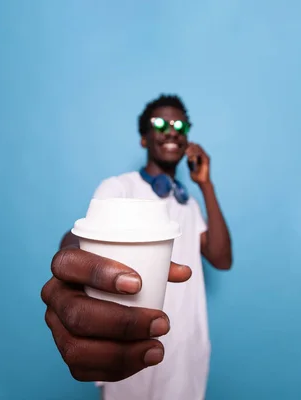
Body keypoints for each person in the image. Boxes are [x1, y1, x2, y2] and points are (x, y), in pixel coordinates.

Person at [41, 94, 233, 400]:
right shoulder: (120, 187)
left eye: (180, 126)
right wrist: (70, 255)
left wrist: (205, 184)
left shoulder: (189, 204)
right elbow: (81, 239)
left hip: (185, 348)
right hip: (130, 341)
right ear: (145, 139)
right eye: (161, 124)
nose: (172, 130)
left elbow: (221, 258)